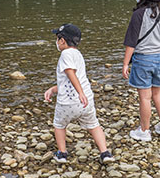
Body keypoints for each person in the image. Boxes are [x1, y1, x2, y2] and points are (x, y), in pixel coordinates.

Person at [44, 23, 114, 164]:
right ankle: (105, 153)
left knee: (59, 124)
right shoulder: (78, 54)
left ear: (62, 40)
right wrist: (53, 89)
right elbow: (72, 80)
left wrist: (79, 92)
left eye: (57, 39)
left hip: (69, 102)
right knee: (94, 125)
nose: (56, 43)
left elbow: (70, 73)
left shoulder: (65, 54)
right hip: (86, 102)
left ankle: (62, 153)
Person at [122, 0, 160, 141]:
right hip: (159, 58)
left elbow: (131, 43)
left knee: (144, 96)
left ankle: (144, 131)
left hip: (143, 59)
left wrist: (125, 64)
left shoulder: (138, 15)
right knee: (157, 93)